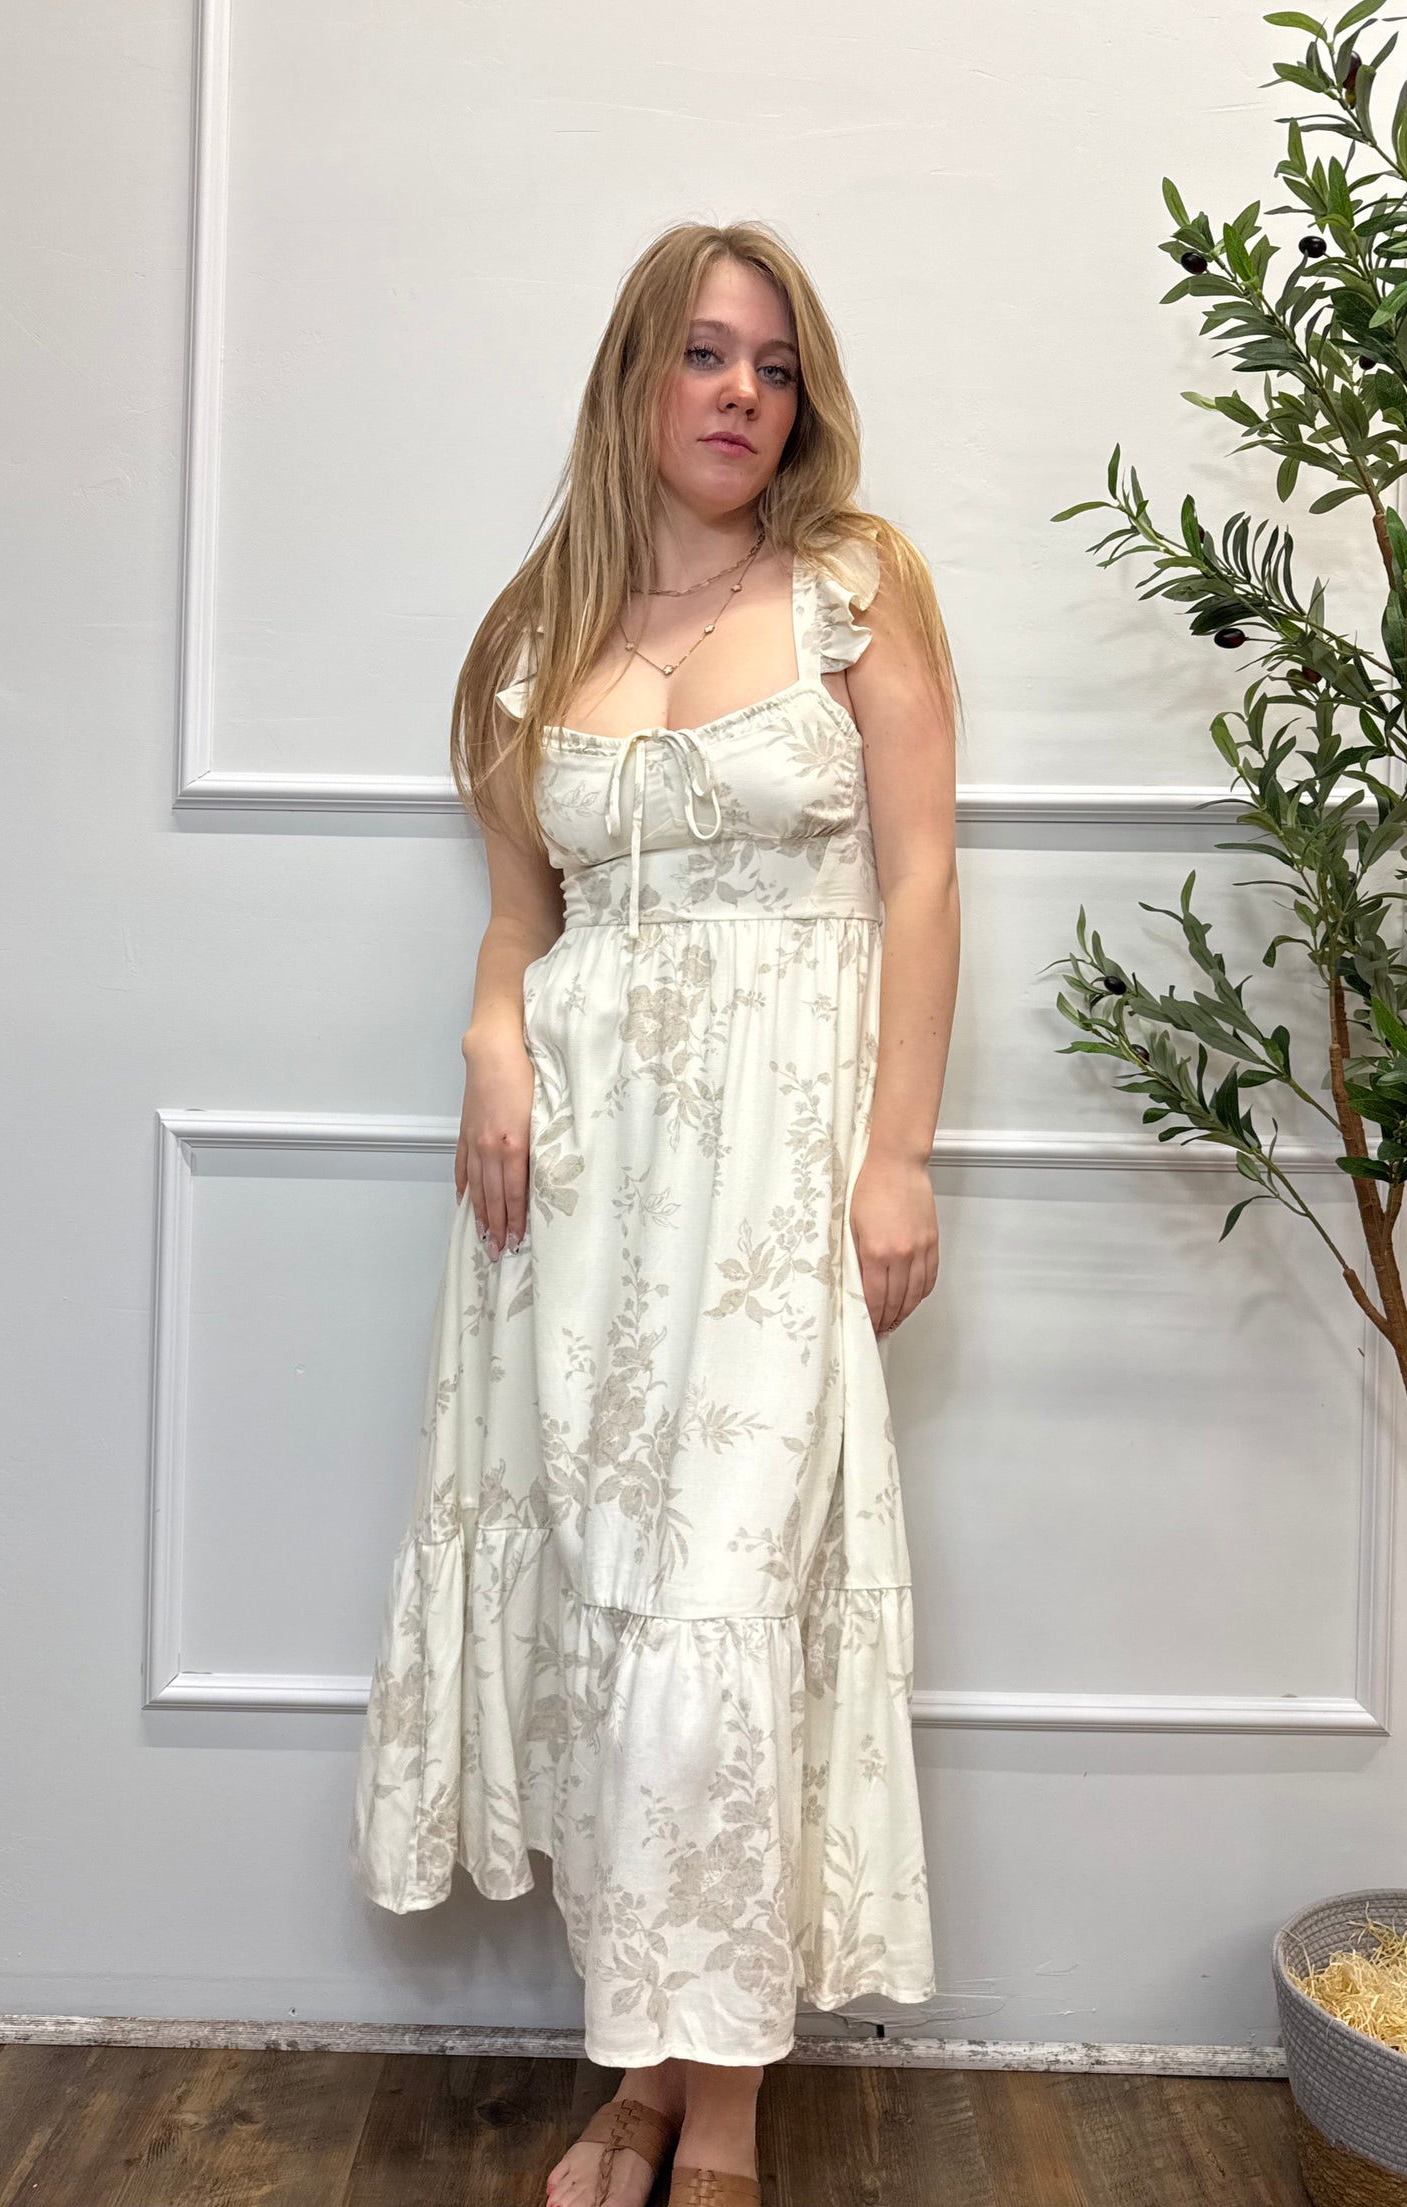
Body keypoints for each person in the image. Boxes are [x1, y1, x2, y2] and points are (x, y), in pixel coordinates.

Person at [350, 217, 960, 2207]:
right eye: (702, 356)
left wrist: (894, 1156)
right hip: (575, 1199)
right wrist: (489, 1036)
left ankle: (724, 2110)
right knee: (607, 1623)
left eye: (771, 366)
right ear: (635, 378)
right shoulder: (545, 626)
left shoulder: (862, 592)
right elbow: (523, 919)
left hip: (774, 1180)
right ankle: (639, 2065)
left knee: (721, 1603)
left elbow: (923, 884)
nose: (737, 396)